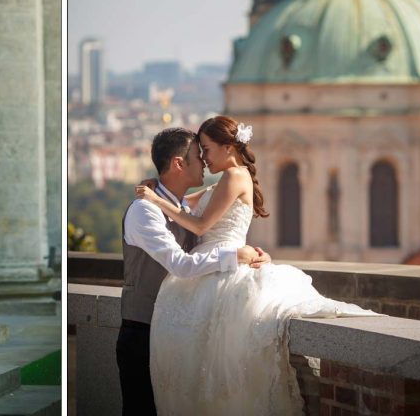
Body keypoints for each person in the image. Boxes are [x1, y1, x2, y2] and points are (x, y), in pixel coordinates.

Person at [137, 116, 380, 415]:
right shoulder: (226, 180)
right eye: (200, 152)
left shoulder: (235, 176)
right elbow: (183, 203)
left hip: (223, 268)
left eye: (207, 149)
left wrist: (155, 200)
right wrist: (157, 189)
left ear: (228, 147)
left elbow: (199, 225)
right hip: (213, 266)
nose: (203, 158)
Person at [117, 127, 270, 416]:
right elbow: (181, 264)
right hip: (143, 331)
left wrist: (253, 255)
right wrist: (234, 255)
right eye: (198, 156)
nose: (204, 162)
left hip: (182, 329)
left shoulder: (182, 205)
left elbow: (209, 228)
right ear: (178, 164)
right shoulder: (144, 212)